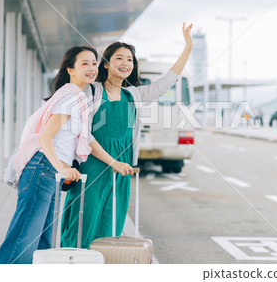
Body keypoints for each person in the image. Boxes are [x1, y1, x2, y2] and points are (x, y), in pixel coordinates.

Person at [0, 46, 132, 264]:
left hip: (51, 173)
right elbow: (45, 138)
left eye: (94, 63)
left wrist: (114, 163)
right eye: (84, 63)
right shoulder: (69, 96)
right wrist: (62, 168)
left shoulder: (79, 98)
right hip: (43, 168)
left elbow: (88, 139)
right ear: (70, 69)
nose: (92, 68)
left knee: (43, 244)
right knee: (24, 238)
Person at [60, 23, 193, 249]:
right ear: (106, 63)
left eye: (130, 59)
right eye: (119, 58)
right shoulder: (91, 91)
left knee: (111, 223)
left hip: (122, 168)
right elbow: (80, 132)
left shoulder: (134, 95)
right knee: (82, 219)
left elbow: (167, 81)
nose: (125, 63)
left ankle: (100, 266)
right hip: (92, 165)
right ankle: (73, 263)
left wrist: (188, 47)